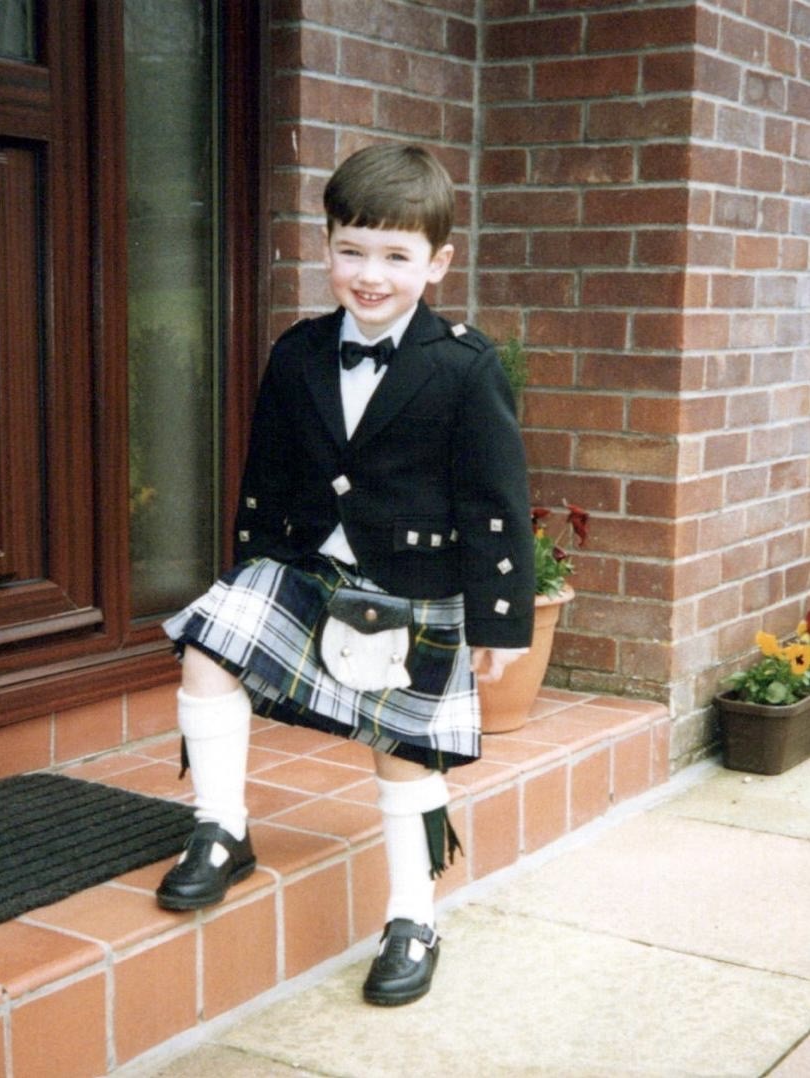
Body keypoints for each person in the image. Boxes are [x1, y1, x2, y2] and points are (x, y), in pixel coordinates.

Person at [157, 143, 535, 1007]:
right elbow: (264, 473)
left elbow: (495, 503)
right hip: (306, 565)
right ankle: (221, 829)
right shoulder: (297, 351)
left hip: (414, 584)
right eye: (351, 250)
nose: (370, 275)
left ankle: (413, 918)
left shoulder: (465, 365)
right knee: (209, 646)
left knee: (405, 753)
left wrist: (502, 621)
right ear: (325, 247)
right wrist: (247, 571)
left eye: (396, 256)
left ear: (437, 263)